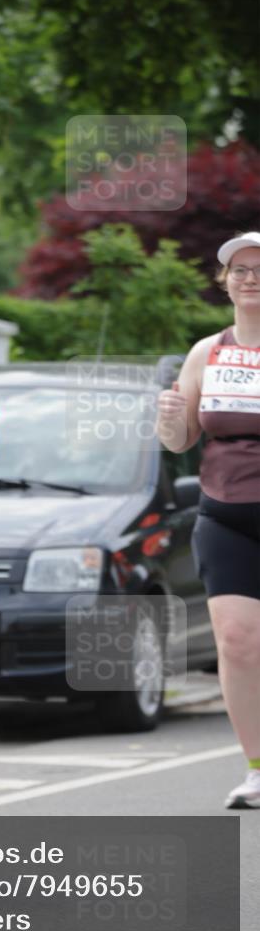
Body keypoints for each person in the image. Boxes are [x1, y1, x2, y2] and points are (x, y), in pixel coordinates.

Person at [157, 230, 260, 810]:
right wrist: (169, 417)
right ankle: (256, 767)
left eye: (259, 268)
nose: (249, 278)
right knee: (239, 642)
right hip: (224, 515)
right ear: (226, 284)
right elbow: (179, 439)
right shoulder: (207, 352)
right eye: (239, 270)